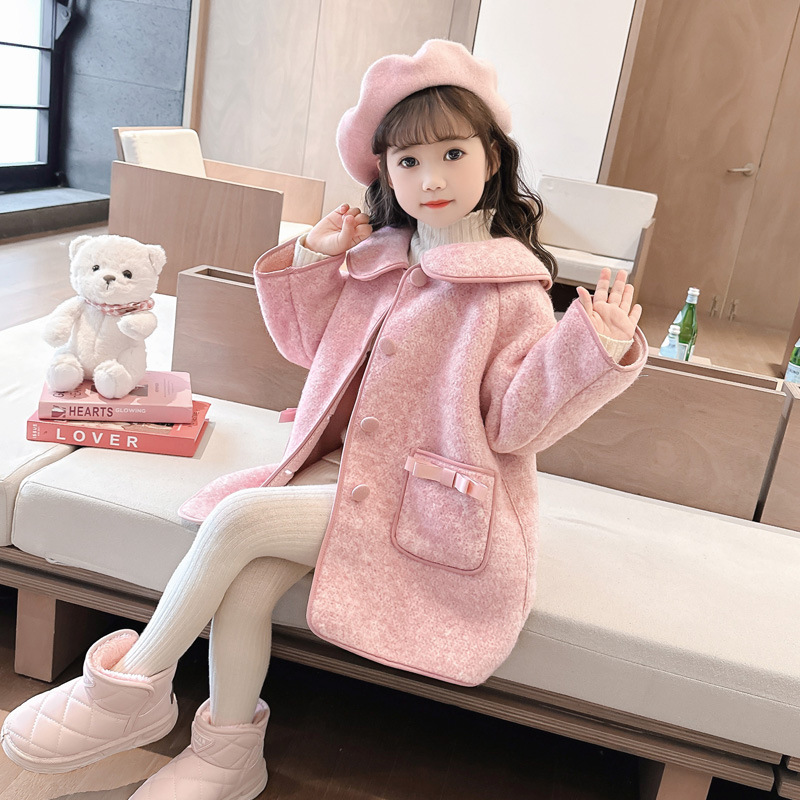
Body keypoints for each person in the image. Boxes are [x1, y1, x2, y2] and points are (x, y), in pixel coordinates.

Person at [1, 39, 646, 800]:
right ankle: (229, 755)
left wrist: (590, 353)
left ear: (493, 158)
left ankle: (131, 687)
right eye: (407, 161)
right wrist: (313, 254)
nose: (431, 179)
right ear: (385, 173)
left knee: (239, 517)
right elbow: (310, 347)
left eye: (452, 153)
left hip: (424, 503)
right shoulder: (382, 260)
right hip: (338, 473)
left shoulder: (512, 294)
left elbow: (511, 426)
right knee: (247, 589)